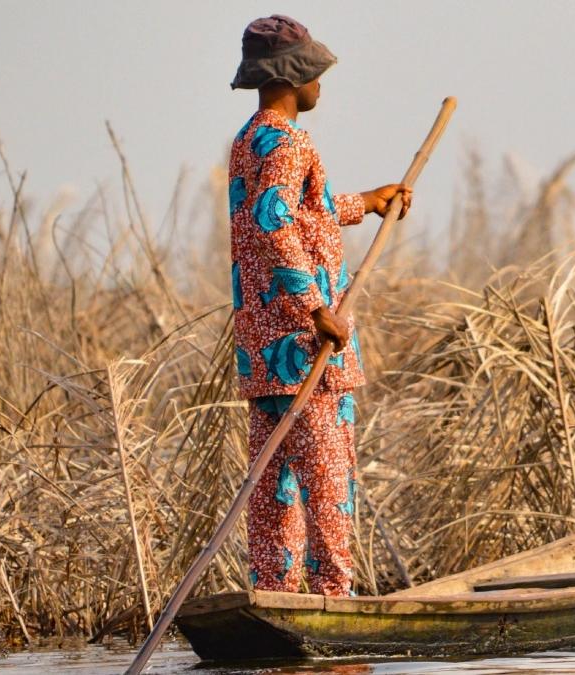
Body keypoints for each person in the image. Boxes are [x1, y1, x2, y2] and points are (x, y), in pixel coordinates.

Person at [229, 14, 411, 596]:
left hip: (264, 355)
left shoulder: (249, 141)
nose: (320, 87)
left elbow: (299, 210)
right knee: (328, 487)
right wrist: (316, 311)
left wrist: (366, 203)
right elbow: (273, 223)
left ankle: (275, 595)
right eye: (315, 75)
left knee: (274, 489)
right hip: (307, 352)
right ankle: (334, 602)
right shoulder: (290, 141)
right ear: (293, 77)